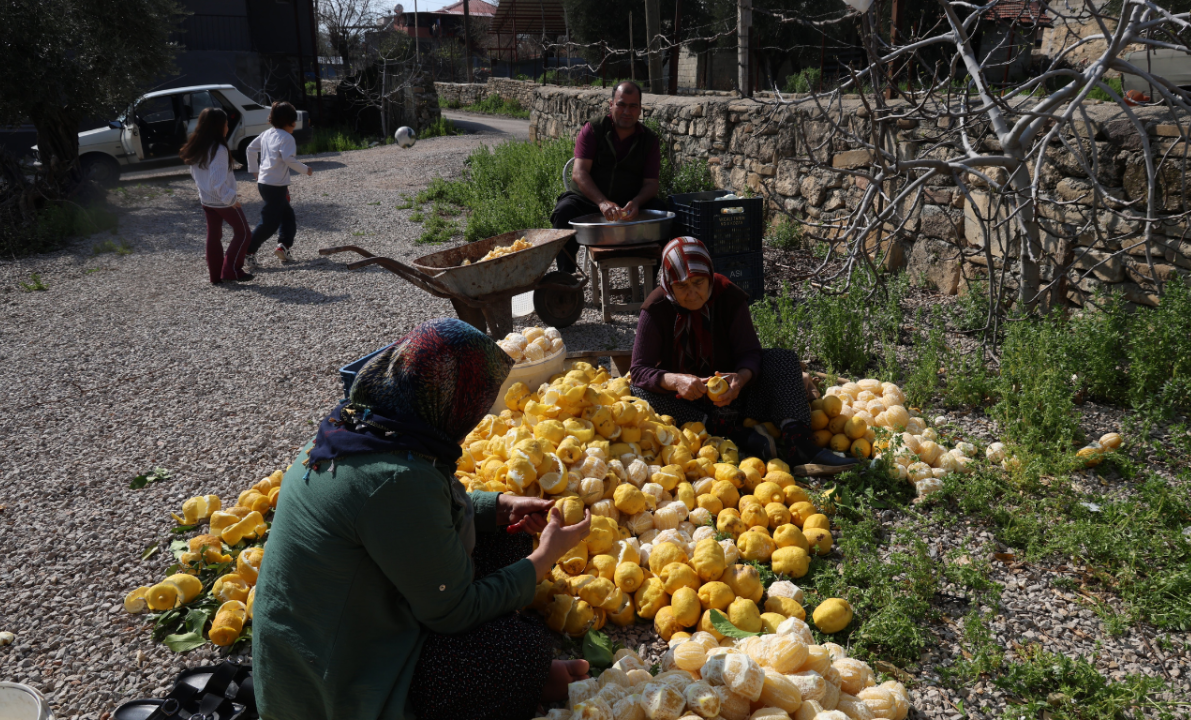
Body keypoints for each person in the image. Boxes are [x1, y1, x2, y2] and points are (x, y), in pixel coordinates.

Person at [252, 319, 593, 720]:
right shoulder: (398, 479)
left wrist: (499, 506)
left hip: (338, 631)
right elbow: (454, 611)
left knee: (507, 536)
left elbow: (416, 514)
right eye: (478, 402)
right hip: (335, 689)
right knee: (517, 651)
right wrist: (545, 557)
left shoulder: (362, 426)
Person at [629, 237, 857, 477]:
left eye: (698, 282)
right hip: (686, 406)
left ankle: (799, 445)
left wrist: (741, 378)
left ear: (709, 276)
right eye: (681, 286)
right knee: (638, 392)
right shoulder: (656, 308)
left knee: (782, 359)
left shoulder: (727, 296)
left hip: (737, 400)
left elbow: (749, 351)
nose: (692, 293)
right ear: (668, 284)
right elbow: (639, 369)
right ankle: (737, 435)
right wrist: (676, 381)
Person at [549, 80, 671, 273]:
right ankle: (566, 278)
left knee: (663, 214)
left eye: (633, 106)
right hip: (589, 201)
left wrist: (637, 202)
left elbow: (651, 184)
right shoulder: (593, 129)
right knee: (563, 211)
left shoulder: (649, 140)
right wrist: (602, 202)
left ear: (640, 109)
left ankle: (654, 281)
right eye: (621, 105)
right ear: (611, 105)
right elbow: (579, 173)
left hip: (628, 207)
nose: (627, 111)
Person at [179, 107, 253, 285]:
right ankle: (232, 271)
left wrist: (208, 193)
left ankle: (216, 276)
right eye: (226, 123)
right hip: (222, 201)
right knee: (243, 233)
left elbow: (198, 176)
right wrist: (231, 199)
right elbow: (217, 181)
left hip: (207, 200)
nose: (228, 127)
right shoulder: (218, 149)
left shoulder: (197, 147)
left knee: (213, 236)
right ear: (219, 126)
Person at [246, 101, 312, 266]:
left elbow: (250, 149)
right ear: (290, 121)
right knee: (269, 223)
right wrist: (306, 169)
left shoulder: (267, 134)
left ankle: (284, 246)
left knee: (287, 215)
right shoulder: (287, 138)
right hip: (275, 186)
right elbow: (289, 159)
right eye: (294, 121)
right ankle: (247, 251)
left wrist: (255, 171)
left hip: (265, 183)